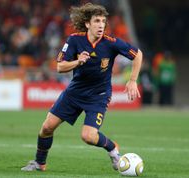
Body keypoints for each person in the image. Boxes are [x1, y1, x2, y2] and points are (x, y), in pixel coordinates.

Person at [21, 3, 143, 172]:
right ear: (88, 24)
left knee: (88, 136)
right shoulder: (74, 40)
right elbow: (59, 67)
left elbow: (138, 55)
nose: (101, 25)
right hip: (75, 92)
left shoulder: (111, 43)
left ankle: (112, 147)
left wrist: (132, 80)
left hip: (98, 95)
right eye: (97, 21)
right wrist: (78, 61)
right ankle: (39, 163)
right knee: (47, 127)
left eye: (103, 21)